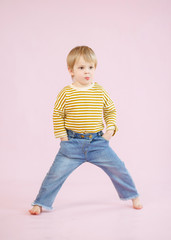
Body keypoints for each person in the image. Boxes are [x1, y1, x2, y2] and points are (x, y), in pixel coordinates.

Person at [29, 46, 143, 215]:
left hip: (98, 142)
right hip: (72, 144)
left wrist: (109, 131)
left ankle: (133, 196)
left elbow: (110, 111)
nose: (86, 72)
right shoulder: (66, 93)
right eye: (81, 68)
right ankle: (40, 203)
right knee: (54, 174)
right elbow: (58, 114)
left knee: (118, 168)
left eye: (91, 67)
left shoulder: (99, 91)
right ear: (71, 70)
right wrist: (63, 138)